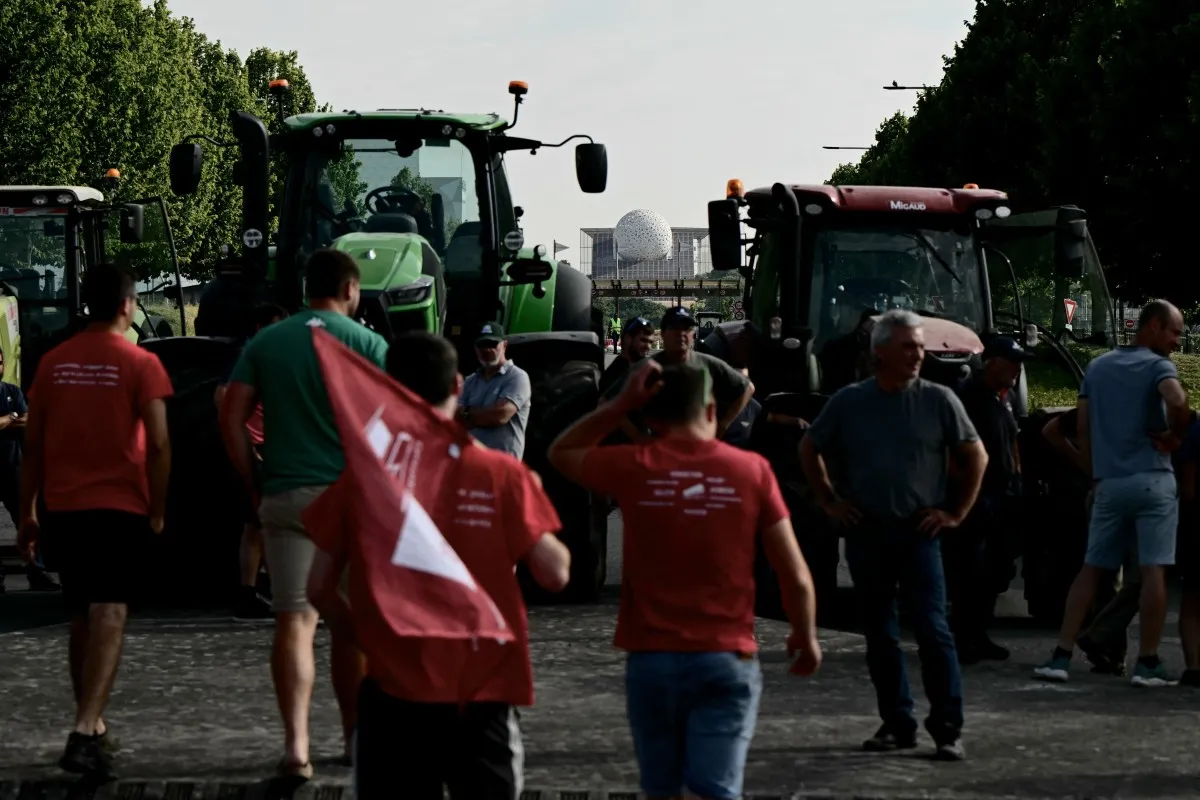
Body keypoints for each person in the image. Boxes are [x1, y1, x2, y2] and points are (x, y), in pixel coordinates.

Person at [308, 332, 573, 799]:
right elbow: (555, 573)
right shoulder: (502, 475)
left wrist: (365, 634)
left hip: (393, 689)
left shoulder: (365, 481)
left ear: (393, 387)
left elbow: (318, 588)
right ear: (456, 384)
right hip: (481, 690)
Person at [548, 359, 822, 800]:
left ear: (652, 418)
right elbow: (795, 574)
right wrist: (804, 636)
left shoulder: (634, 465)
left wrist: (620, 404)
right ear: (712, 411)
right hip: (726, 657)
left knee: (661, 789)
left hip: (653, 661)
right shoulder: (752, 472)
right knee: (716, 789)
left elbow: (561, 452)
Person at [220, 248, 388, 778]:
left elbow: (231, 414)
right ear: (351, 289)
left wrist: (255, 478)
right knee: (351, 626)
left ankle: (296, 747)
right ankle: (355, 738)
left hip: (286, 495)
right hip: (350, 499)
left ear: (305, 289)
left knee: (293, 620)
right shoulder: (369, 344)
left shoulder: (269, 341)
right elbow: (391, 426)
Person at [799, 309, 986, 761]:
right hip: (868, 531)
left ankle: (947, 728)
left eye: (920, 347)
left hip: (919, 531)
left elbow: (975, 456)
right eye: (908, 346)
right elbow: (810, 446)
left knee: (933, 631)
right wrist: (829, 501)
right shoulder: (850, 401)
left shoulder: (940, 400)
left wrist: (955, 512)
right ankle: (897, 723)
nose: (918, 355)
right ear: (880, 352)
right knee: (880, 634)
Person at [17, 263, 173, 778]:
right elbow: (161, 442)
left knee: (82, 616)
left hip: (64, 507)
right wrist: (157, 508)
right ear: (128, 305)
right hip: (120, 505)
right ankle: (84, 730)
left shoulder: (53, 363)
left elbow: (33, 446)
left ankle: (95, 725)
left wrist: (28, 512)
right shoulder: (140, 362)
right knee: (111, 611)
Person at [1034, 299, 1188, 687]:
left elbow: (1082, 427)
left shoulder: (1098, 367)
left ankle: (1061, 655)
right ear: (1152, 326)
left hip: (1109, 484)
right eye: (1174, 332)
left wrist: (1095, 471)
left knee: (1091, 569)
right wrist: (1175, 435)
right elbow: (1177, 399)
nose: (1176, 342)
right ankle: (1148, 661)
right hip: (1152, 478)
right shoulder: (1158, 367)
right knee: (1153, 573)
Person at [946, 337, 1029, 663]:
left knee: (996, 568)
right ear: (991, 361)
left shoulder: (1002, 398)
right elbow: (950, 447)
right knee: (970, 570)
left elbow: (1011, 439)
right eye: (1012, 362)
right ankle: (964, 636)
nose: (1017, 369)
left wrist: (1017, 476)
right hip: (975, 496)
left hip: (1002, 495)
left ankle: (979, 633)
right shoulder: (966, 397)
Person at [1042, 408, 1140, 677]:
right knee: (1140, 576)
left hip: (1104, 490)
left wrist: (1088, 465)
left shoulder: (1102, 399)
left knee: (1106, 575)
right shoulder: (1139, 404)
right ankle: (1104, 643)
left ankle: (1106, 648)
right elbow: (1052, 430)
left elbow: (1052, 430)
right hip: (1136, 492)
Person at [215, 303, 288, 621]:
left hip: (258, 445)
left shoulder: (254, 354)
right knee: (259, 522)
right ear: (262, 327)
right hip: (254, 446)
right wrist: (243, 435)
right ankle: (252, 591)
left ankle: (262, 588)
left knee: (260, 523)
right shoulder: (250, 355)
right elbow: (222, 396)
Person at [603, 306, 754, 441]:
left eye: (687, 329)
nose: (681, 333)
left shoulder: (708, 363)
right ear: (662, 334)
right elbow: (605, 401)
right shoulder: (647, 367)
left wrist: (722, 425)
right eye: (675, 328)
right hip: (660, 450)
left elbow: (747, 388)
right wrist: (637, 436)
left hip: (697, 449)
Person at [0, 345, 58, 593]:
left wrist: (8, 418)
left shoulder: (11, 391)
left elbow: (30, 419)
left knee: (28, 522)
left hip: (14, 469)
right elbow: (20, 418)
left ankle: (37, 572)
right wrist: (15, 417)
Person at [456, 322, 532, 460]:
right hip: (473, 463)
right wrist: (485, 415)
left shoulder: (517, 377)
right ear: (475, 348)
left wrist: (466, 412)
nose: (487, 350)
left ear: (504, 345)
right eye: (482, 345)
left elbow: (500, 415)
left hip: (504, 467)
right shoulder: (470, 381)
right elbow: (455, 418)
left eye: (492, 344)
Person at [1174, 414, 1200, 686]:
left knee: (1192, 597)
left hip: (1197, 522)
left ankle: (1194, 665)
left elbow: (1188, 486)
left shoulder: (1196, 433)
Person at [598, 316, 655, 398]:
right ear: (627, 338)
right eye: (643, 340)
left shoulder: (645, 369)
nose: (648, 346)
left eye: (650, 342)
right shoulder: (614, 376)